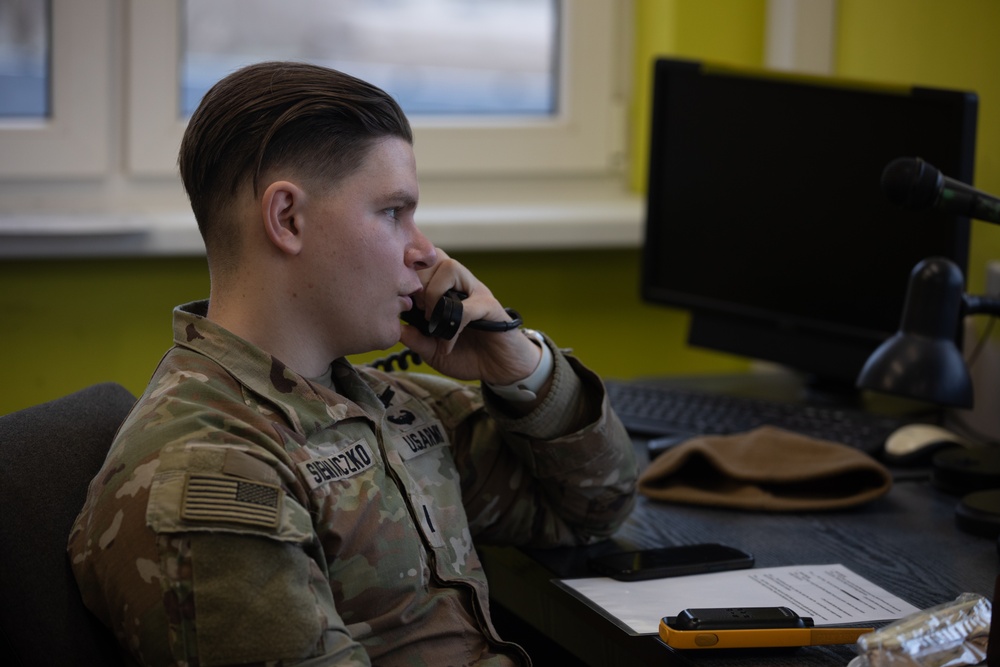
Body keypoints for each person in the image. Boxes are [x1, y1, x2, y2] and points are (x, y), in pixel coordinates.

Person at [68, 61, 637, 666]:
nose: (425, 255)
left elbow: (590, 508)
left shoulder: (384, 404)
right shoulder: (212, 469)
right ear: (287, 218)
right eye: (394, 212)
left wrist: (515, 360)